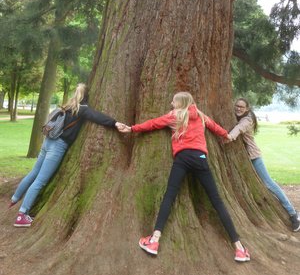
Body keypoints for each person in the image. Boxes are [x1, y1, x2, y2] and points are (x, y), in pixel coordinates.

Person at [117, 91, 250, 262]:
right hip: (201, 159)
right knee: (217, 201)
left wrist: (131, 128)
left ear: (180, 103)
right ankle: (239, 248)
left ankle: (154, 240)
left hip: (182, 158)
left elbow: (153, 124)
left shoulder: (175, 115)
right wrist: (227, 135)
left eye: (173, 101)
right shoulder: (201, 116)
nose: (171, 104)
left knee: (169, 196)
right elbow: (216, 127)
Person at [10, 83, 126, 228]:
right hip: (58, 146)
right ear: (87, 96)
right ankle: (21, 215)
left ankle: (14, 199)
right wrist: (114, 123)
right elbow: (97, 117)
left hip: (47, 142)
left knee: (34, 173)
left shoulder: (66, 106)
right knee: (40, 181)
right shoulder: (82, 109)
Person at [228, 97, 300, 232]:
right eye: (237, 106)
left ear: (247, 109)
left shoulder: (247, 120)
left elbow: (238, 129)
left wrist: (229, 137)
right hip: (245, 158)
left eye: (241, 107)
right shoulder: (237, 116)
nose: (238, 108)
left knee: (269, 183)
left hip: (254, 157)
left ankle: (292, 214)